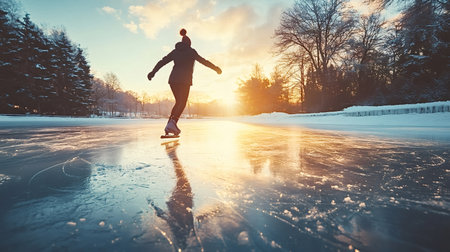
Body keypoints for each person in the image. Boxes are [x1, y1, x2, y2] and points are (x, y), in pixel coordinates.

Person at [147, 28, 222, 136]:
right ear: (189, 44)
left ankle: (169, 126)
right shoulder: (191, 51)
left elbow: (162, 61)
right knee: (182, 103)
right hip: (184, 81)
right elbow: (204, 61)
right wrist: (216, 68)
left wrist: (153, 72)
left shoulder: (175, 51)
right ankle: (172, 124)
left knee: (178, 102)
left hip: (173, 80)